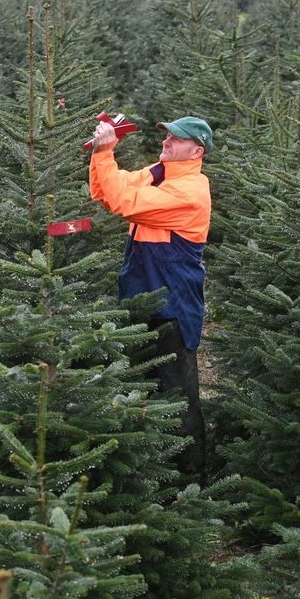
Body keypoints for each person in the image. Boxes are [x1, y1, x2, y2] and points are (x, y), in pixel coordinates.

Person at [88, 116, 212, 484]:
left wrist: (107, 150)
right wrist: (100, 156)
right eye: (168, 136)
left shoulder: (189, 190)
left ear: (197, 150)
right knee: (142, 390)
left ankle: (189, 484)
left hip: (172, 308)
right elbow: (105, 190)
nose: (168, 142)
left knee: (177, 397)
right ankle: (147, 476)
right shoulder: (158, 174)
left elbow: (124, 202)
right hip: (140, 301)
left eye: (177, 139)